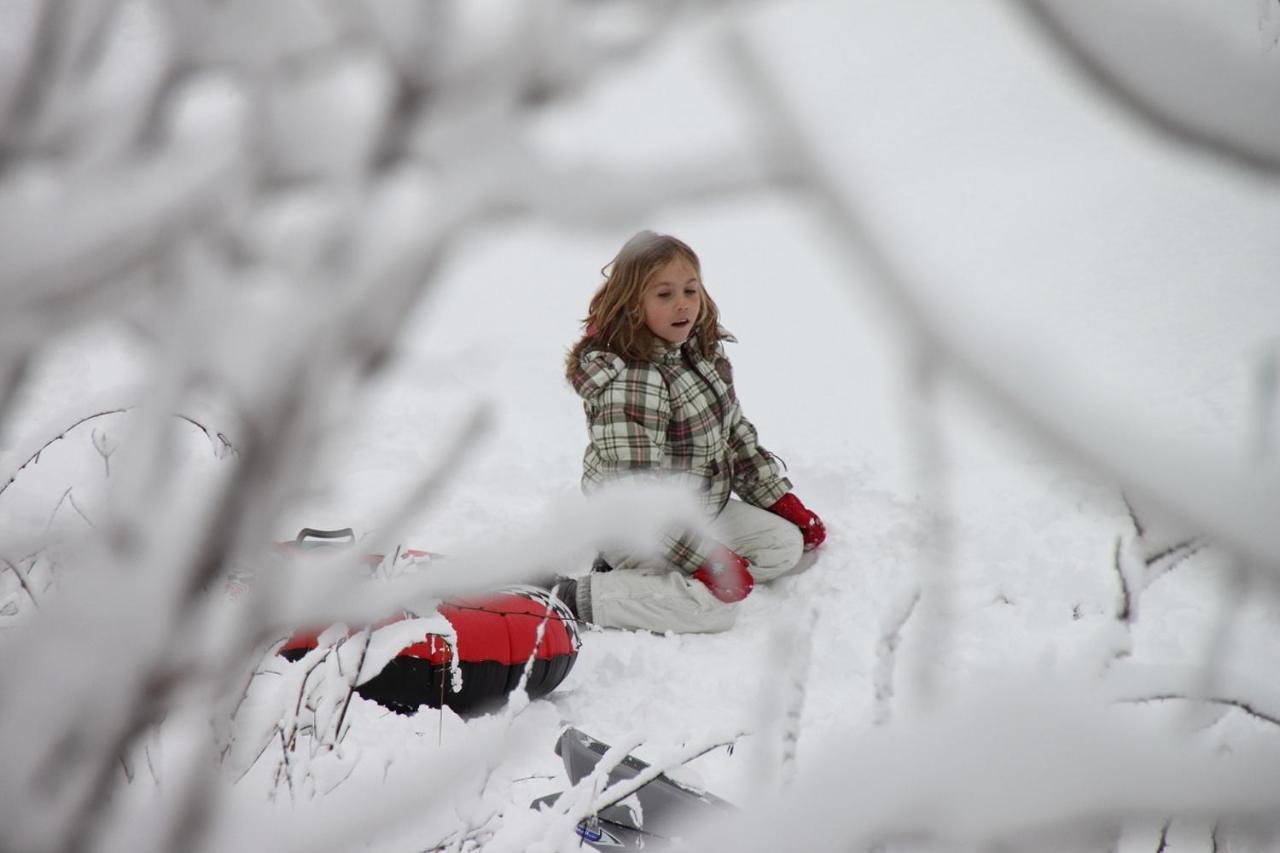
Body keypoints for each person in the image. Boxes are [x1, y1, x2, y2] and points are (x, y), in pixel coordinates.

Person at [556, 231, 826, 633]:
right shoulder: (633, 382)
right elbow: (638, 495)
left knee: (782, 547)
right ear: (633, 305)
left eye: (690, 290)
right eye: (664, 295)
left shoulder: (698, 353)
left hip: (700, 508)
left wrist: (779, 499)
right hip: (635, 525)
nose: (682, 304)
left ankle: (654, 581)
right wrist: (703, 559)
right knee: (715, 608)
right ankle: (573, 595)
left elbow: (735, 434)